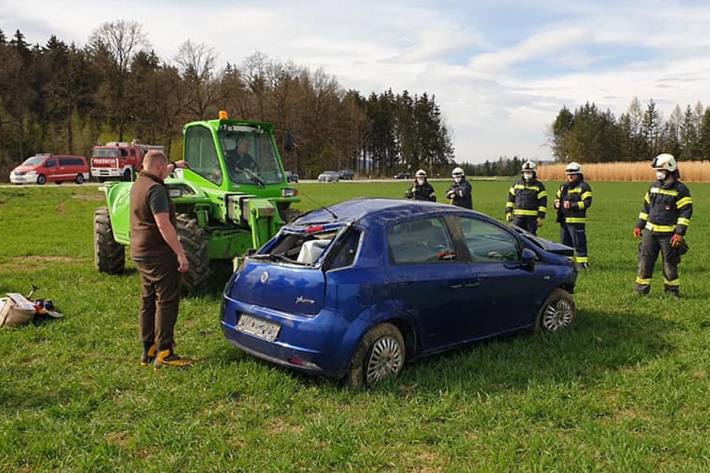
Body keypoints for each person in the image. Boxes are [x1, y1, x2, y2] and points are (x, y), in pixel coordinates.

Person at [130, 150, 192, 368]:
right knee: (166, 302)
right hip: (159, 254)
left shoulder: (140, 183)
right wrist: (180, 254)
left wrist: (175, 165)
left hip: (140, 252)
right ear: (158, 168)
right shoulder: (156, 190)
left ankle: (148, 349)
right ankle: (165, 352)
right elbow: (163, 224)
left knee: (147, 300)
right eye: (164, 169)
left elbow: (162, 169)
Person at [633, 154, 692, 297]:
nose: (658, 173)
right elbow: (645, 208)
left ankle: (672, 292)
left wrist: (679, 233)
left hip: (669, 235)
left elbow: (685, 213)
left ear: (670, 169)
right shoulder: (653, 187)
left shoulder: (681, 190)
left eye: (661, 170)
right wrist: (639, 225)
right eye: (657, 170)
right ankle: (641, 291)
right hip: (650, 233)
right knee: (644, 262)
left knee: (669, 264)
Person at [554, 162, 592, 268]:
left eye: (573, 174)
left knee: (579, 244)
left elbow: (587, 203)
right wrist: (556, 203)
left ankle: (583, 265)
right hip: (564, 221)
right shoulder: (563, 187)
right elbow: (557, 198)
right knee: (564, 245)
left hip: (576, 221)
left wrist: (572, 205)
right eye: (568, 174)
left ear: (579, 175)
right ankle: (568, 264)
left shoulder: (584, 187)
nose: (570, 176)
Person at [505, 161, 546, 235]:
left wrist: (541, 217)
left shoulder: (539, 186)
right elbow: (510, 200)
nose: (527, 174)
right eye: (525, 172)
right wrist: (508, 212)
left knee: (531, 240)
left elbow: (542, 203)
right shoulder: (516, 185)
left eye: (529, 172)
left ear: (534, 173)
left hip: (532, 219)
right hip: (518, 218)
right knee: (516, 237)